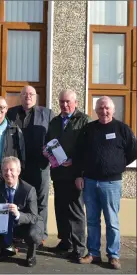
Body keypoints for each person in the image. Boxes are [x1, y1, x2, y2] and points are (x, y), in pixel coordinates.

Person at [73, 96, 137, 270]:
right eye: (100, 108)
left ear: (113, 110)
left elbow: (133, 151)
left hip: (112, 183)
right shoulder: (88, 129)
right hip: (90, 182)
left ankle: (113, 255)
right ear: (95, 110)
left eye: (107, 108)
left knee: (112, 221)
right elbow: (78, 155)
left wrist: (117, 164)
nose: (104, 111)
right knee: (92, 220)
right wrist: (79, 176)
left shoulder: (122, 129)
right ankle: (93, 253)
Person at [44, 89, 90, 260]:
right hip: (58, 172)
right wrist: (46, 151)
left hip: (75, 173)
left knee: (76, 210)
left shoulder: (84, 120)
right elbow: (49, 141)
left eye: (68, 102)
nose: (64, 105)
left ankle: (79, 247)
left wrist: (75, 162)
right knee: (61, 208)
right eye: (62, 102)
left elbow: (87, 148)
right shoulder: (55, 122)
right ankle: (65, 242)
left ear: (75, 103)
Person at [6, 85, 54, 242]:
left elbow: (54, 139)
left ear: (36, 97)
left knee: (41, 201)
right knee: (19, 199)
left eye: (31, 94)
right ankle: (19, 233)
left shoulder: (47, 114)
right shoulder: (11, 113)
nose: (28, 96)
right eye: (24, 94)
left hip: (40, 165)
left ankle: (41, 234)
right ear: (20, 96)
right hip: (19, 166)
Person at [0, 157, 43, 267]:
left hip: (24, 224)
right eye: (5, 170)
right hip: (4, 223)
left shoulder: (29, 190)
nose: (8, 173)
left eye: (11, 170)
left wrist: (18, 214)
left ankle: (31, 255)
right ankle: (6, 249)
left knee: (33, 233)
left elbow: (34, 217)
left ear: (18, 171)